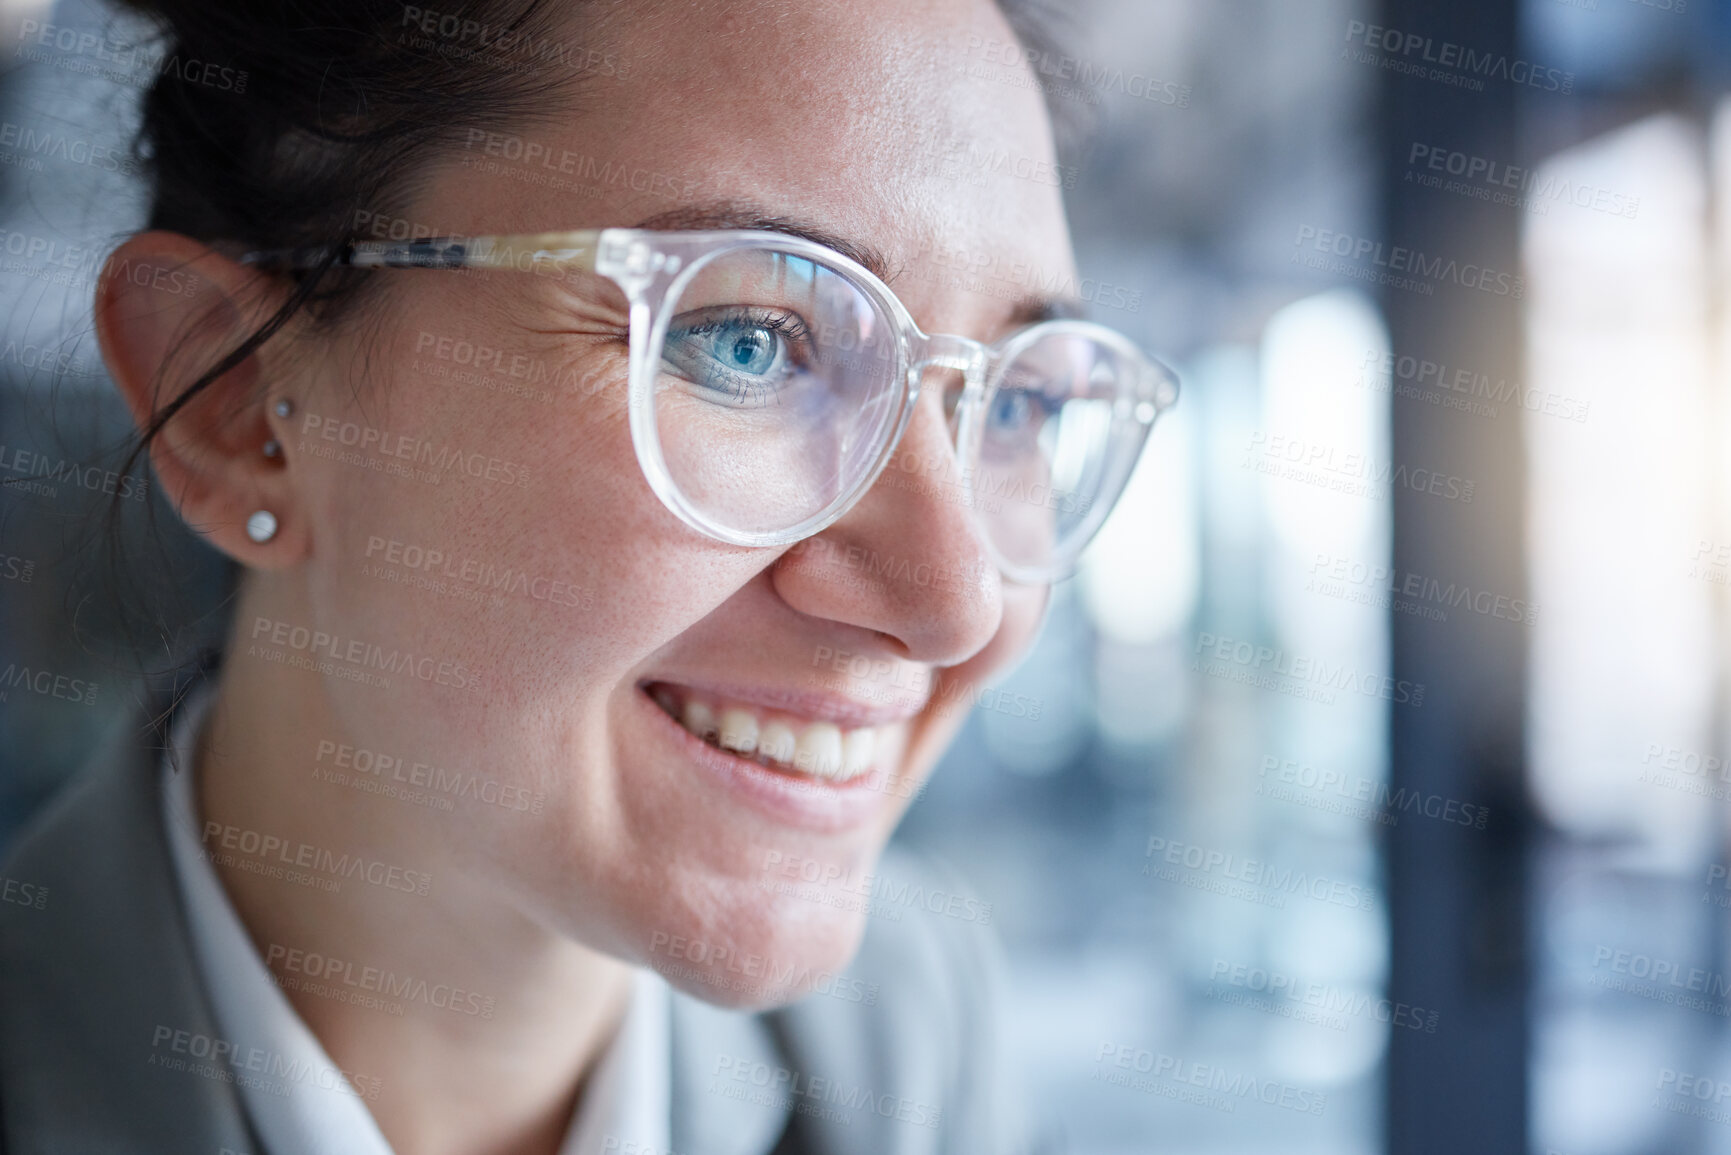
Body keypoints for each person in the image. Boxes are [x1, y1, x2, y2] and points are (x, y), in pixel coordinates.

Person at [0, 1, 1176, 1151]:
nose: (956, 603)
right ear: (238, 404)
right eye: (746, 341)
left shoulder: (911, 1031)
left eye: (1017, 401)